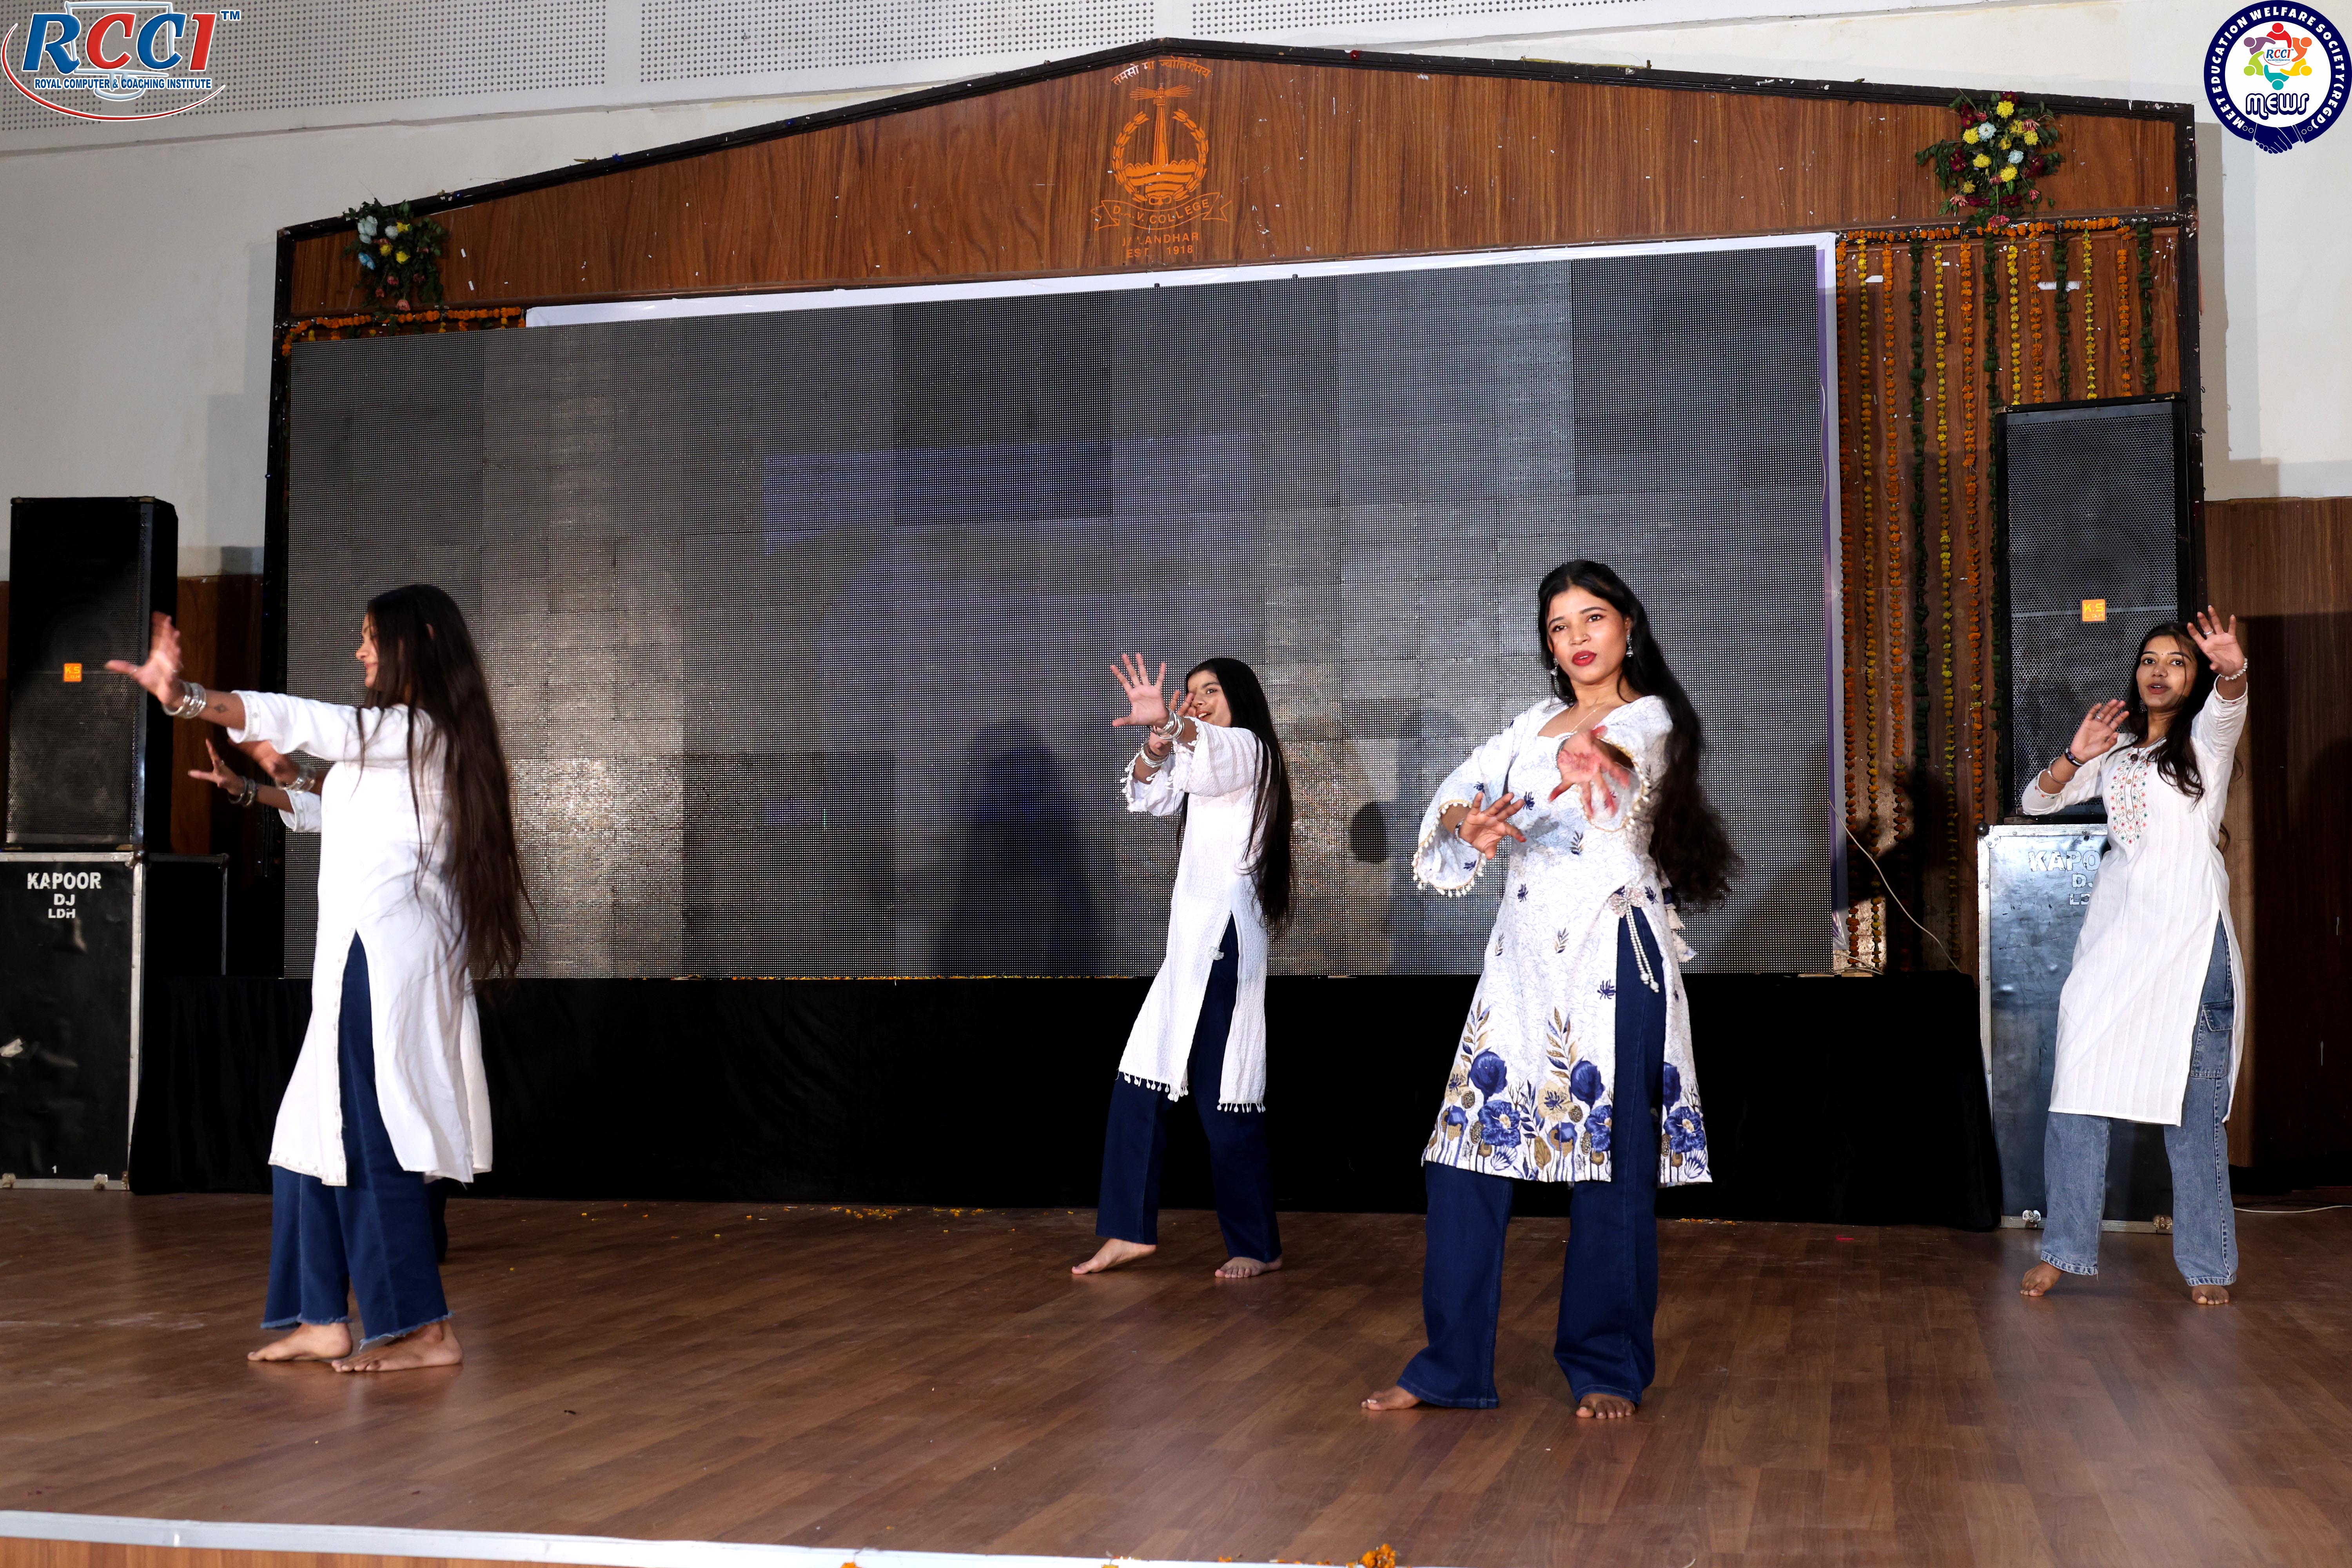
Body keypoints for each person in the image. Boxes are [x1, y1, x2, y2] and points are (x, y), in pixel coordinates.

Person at [109, 584, 528, 1370]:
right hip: (356, 954)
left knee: (371, 1133)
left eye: (372, 636)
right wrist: (256, 781)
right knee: (306, 1131)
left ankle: (425, 1330)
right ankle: (321, 1316)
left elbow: (314, 723)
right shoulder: (400, 744)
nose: (361, 650)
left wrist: (187, 697)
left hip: (385, 953)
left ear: (418, 639)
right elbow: (332, 803)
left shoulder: (417, 729)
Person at [1362, 560, 1738, 1419]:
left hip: (1612, 956)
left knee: (1610, 1168)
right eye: (1560, 626)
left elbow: (1615, 766)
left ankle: (1606, 1364)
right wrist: (1470, 820)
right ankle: (1450, 1365)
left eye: (1593, 618)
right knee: (1463, 1158)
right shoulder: (1533, 722)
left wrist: (1584, 759)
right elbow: (1456, 793)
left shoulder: (1651, 717)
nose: (1578, 638)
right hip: (1521, 964)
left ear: (1628, 626)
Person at [2018, 609, 2248, 1307]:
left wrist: (2233, 671)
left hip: (2189, 944)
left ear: (2195, 678)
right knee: (2076, 1089)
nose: (2160, 672)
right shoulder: (2115, 754)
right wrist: (2074, 755)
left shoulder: (2205, 743)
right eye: (2150, 660)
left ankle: (2207, 1264)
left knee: (2193, 1112)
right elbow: (2035, 802)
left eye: (2177, 662)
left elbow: (2230, 704)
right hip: (2116, 946)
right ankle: (2063, 1249)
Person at [1072, 653, 1295, 1282]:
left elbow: (1209, 753)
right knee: (1140, 1080)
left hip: (1224, 939)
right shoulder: (1201, 755)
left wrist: (1171, 722)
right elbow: (1151, 796)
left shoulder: (1251, 750)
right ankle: (1128, 1231)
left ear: (1240, 698)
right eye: (1191, 692)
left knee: (1225, 1097)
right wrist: (1157, 742)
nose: (1198, 700)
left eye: (1211, 690)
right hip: (1189, 946)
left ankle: (1257, 1245)